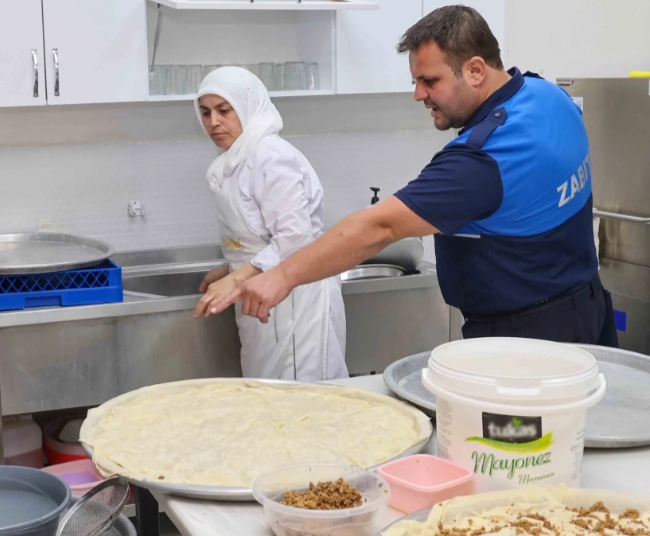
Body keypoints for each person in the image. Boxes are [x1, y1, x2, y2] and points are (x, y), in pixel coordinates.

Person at [211, 6, 620, 347]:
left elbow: (380, 227)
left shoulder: (481, 161)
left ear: (476, 70)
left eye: (430, 81)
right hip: (586, 306)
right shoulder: (548, 96)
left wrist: (280, 276)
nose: (419, 94)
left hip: (527, 340)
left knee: (512, 443)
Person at [192, 67, 349, 381]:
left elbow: (296, 237)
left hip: (295, 300)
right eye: (205, 112)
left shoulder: (271, 156)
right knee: (266, 397)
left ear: (248, 107)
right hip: (262, 299)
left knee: (302, 399)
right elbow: (261, 237)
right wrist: (231, 269)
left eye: (224, 111)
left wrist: (237, 280)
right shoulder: (236, 160)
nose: (214, 122)